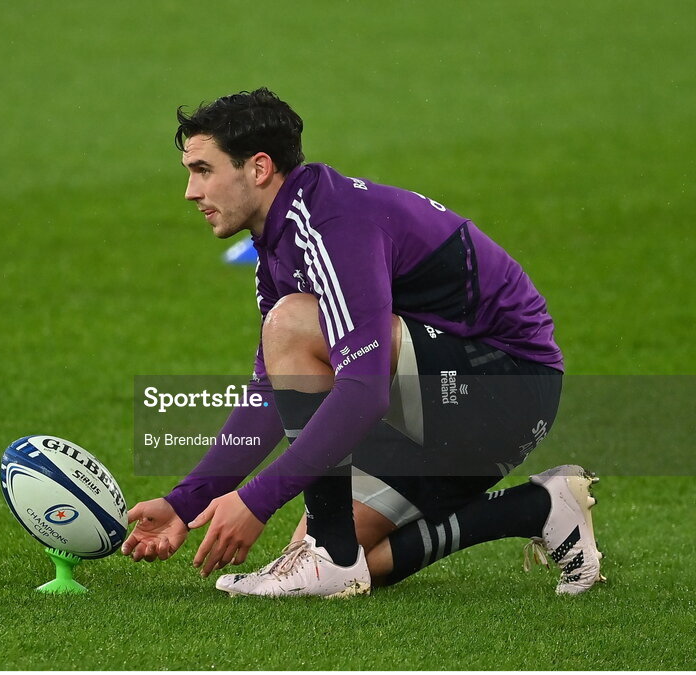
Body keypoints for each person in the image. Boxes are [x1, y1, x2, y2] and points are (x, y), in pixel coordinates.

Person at [122, 88, 605, 597]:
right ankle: (542, 508)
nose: (190, 191)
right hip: (452, 401)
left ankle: (330, 555)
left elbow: (363, 390)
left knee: (291, 327)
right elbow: (273, 391)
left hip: (502, 387)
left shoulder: (333, 225)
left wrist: (257, 500)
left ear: (259, 168)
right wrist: (187, 500)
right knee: (358, 560)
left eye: (203, 170)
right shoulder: (281, 243)